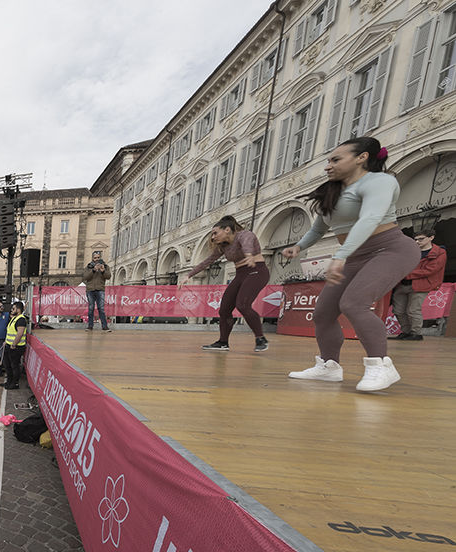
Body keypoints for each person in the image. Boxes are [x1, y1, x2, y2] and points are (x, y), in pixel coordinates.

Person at [284, 137, 420, 391]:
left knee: (354, 303)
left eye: (336, 159)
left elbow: (371, 218)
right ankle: (329, 367)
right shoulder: (332, 191)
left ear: (362, 158)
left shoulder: (380, 181)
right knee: (323, 313)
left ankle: (381, 365)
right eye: (328, 161)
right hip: (357, 255)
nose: (328, 166)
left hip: (390, 249)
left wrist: (340, 255)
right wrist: (299, 247)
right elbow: (318, 229)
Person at [177, 216, 271, 352]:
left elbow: (247, 243)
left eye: (215, 233)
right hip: (240, 275)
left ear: (227, 229)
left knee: (243, 305)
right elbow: (207, 261)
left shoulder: (244, 235)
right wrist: (188, 275)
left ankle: (260, 338)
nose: (213, 237)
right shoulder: (223, 247)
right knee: (224, 310)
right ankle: (223, 342)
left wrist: (249, 254)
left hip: (257, 271)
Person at [391, 230, 447, 341]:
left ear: (431, 237)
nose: (417, 242)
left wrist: (405, 275)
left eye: (421, 239)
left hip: (420, 285)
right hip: (402, 284)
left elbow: (430, 270)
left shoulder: (439, 252)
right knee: (398, 310)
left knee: (414, 310)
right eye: (415, 239)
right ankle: (406, 332)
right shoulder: (410, 251)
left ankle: (416, 333)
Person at [82, 251, 112, 331]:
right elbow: (85, 277)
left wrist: (103, 271)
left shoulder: (105, 266)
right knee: (91, 308)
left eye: (98, 257)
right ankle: (90, 326)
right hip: (90, 289)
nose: (96, 259)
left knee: (101, 308)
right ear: (92, 258)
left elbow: (108, 276)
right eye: (95, 258)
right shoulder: (88, 267)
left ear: (100, 258)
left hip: (100, 289)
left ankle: (104, 326)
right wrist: (93, 270)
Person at [2, 301, 28, 390]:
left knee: (14, 366)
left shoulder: (21, 319)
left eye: (13, 308)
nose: (11, 310)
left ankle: (15, 383)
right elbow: (10, 332)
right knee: (7, 364)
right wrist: (6, 342)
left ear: (19, 309)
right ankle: (9, 381)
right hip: (9, 345)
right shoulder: (14, 318)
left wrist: (14, 344)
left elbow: (20, 333)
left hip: (16, 347)